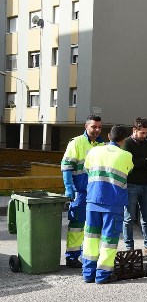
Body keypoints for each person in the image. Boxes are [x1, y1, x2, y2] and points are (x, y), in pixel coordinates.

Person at [81, 125, 133, 283]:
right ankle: (102, 276)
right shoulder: (126, 155)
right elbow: (128, 171)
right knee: (109, 239)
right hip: (113, 202)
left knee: (90, 238)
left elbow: (87, 169)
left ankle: (88, 274)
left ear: (109, 136)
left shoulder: (94, 151)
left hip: (93, 199)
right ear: (123, 140)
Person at [60, 115, 104, 268]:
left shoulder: (102, 145)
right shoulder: (76, 143)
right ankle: (72, 257)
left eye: (99, 127)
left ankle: (89, 256)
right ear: (86, 126)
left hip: (96, 193)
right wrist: (69, 187)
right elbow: (66, 166)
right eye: (94, 127)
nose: (97, 130)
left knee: (93, 226)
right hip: (80, 192)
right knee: (77, 225)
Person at [122, 117, 147, 255]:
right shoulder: (126, 143)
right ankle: (129, 249)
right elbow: (129, 163)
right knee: (129, 218)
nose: (145, 135)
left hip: (145, 185)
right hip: (131, 185)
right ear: (134, 130)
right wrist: (145, 161)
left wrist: (140, 162)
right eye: (142, 133)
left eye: (146, 133)